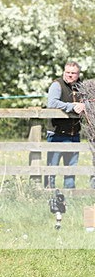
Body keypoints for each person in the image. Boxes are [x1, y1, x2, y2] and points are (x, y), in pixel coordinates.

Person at [44, 61, 86, 189]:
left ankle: (70, 195)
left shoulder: (81, 86)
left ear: (78, 74)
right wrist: (72, 107)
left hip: (74, 134)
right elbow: (52, 103)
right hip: (57, 133)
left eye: (73, 73)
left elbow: (88, 101)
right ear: (64, 72)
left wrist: (84, 106)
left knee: (71, 169)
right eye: (67, 72)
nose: (70, 75)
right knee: (52, 168)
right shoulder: (57, 85)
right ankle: (49, 194)